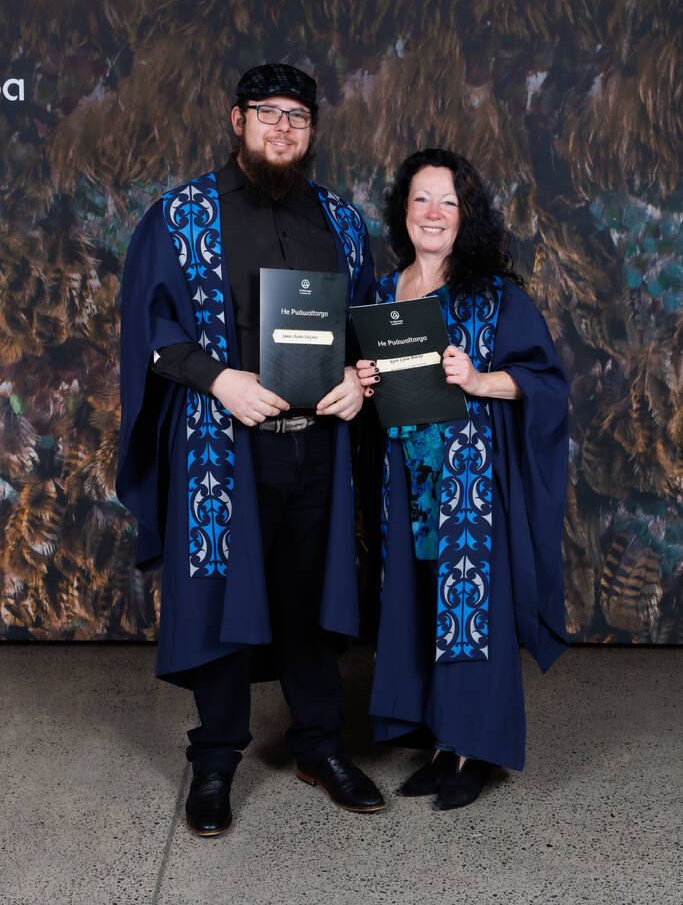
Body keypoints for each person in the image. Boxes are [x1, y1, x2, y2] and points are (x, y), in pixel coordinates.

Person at [117, 63, 385, 837]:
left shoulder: (340, 220)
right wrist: (218, 380)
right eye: (267, 113)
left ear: (310, 131)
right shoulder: (182, 215)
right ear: (237, 120)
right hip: (219, 445)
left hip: (317, 449)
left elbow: (363, 329)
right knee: (227, 602)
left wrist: (355, 381)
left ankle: (319, 746)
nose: (282, 128)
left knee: (308, 597)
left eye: (297, 117)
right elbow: (150, 329)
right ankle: (215, 760)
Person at [356, 149, 569, 809]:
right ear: (402, 211)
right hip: (402, 483)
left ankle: (474, 749)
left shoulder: (494, 296)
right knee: (420, 608)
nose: (433, 213)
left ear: (465, 216)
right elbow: (361, 390)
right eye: (420, 199)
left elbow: (545, 385)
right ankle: (441, 740)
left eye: (447, 202)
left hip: (467, 486)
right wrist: (359, 380)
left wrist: (478, 380)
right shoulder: (382, 295)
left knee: (469, 612)